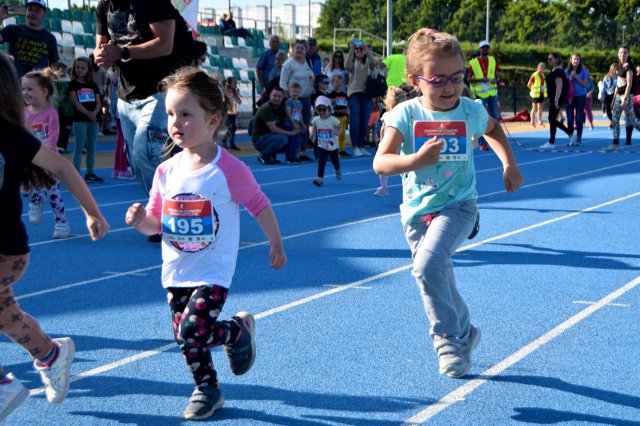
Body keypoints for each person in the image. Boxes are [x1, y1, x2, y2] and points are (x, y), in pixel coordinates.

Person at [124, 67, 286, 421]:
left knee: (192, 330)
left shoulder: (227, 169)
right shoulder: (165, 171)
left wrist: (276, 242)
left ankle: (224, 352)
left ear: (213, 120)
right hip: (176, 269)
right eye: (170, 114)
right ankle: (211, 380)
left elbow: (259, 204)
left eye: (185, 114)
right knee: (186, 338)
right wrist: (141, 222)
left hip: (214, 269)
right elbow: (156, 222)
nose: (175, 122)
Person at [373, 29, 523, 378]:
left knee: (427, 267)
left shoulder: (469, 110)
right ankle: (466, 332)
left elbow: (495, 130)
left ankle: (446, 340)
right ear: (415, 80)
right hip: (416, 213)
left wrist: (509, 165)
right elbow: (381, 162)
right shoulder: (406, 115)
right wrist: (415, 161)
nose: (451, 87)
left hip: (459, 206)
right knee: (436, 275)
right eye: (439, 80)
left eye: (457, 77)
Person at [0, 52, 109, 422]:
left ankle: (4, 384)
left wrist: (92, 211)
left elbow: (61, 166)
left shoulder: (10, 135)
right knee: (8, 318)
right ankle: (51, 355)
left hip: (5, 250)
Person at [94, 0, 197, 196]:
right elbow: (100, 47)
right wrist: (101, 55)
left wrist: (122, 52)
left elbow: (165, 44)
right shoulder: (104, 6)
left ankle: (172, 207)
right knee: (136, 163)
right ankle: (162, 213)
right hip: (127, 95)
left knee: (146, 153)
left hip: (161, 90)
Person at [21, 68, 71, 239]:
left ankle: (61, 222)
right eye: (23, 89)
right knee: (22, 186)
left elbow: (52, 138)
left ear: (43, 92)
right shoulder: (23, 113)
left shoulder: (51, 114)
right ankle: (35, 199)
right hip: (29, 159)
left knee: (53, 194)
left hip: (48, 160)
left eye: (29, 89)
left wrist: (41, 155)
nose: (25, 93)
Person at [0, 0, 59, 77]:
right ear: (26, 12)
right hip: (15, 81)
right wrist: (0, 17)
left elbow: (54, 64)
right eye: (30, 9)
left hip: (37, 84)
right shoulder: (13, 29)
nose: (32, 13)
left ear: (44, 14)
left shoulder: (50, 38)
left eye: (37, 11)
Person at [68, 56, 104, 183]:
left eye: (83, 68)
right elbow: (75, 101)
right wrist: (87, 113)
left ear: (88, 69)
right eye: (77, 67)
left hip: (93, 120)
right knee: (79, 147)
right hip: (80, 120)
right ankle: (76, 174)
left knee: (91, 147)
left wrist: (94, 113)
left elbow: (99, 101)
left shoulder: (93, 85)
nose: (79, 70)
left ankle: (89, 173)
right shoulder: (73, 84)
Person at [280, 39, 315, 161]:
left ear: (306, 51)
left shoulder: (307, 62)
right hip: (293, 100)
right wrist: (286, 96)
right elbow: (283, 81)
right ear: (293, 50)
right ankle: (291, 152)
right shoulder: (288, 64)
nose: (299, 50)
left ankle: (303, 151)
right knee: (293, 125)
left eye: (302, 48)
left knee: (304, 124)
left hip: (306, 98)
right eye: (297, 48)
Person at [373, 86, 409, 197]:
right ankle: (383, 186)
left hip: (399, 144)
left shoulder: (404, 115)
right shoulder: (387, 115)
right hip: (389, 144)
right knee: (383, 165)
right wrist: (381, 142)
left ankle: (406, 185)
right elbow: (383, 129)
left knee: (403, 167)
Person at [345, 40, 378, 156]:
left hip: (367, 94)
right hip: (354, 93)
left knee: (365, 122)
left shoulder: (368, 62)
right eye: (357, 49)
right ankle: (355, 147)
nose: (359, 51)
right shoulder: (352, 61)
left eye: (361, 49)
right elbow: (347, 66)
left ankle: (361, 145)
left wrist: (366, 50)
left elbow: (375, 63)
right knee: (355, 120)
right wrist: (351, 49)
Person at [252, 87, 300, 164]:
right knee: (283, 138)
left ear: (283, 97)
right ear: (270, 96)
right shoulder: (266, 108)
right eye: (274, 96)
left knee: (292, 137)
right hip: (260, 139)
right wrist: (291, 133)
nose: (277, 98)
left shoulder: (280, 108)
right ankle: (263, 155)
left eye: (279, 96)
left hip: (270, 136)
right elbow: (273, 129)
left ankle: (287, 157)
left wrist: (299, 127)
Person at [467, 40, 501, 150]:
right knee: (482, 118)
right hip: (480, 94)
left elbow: (497, 74)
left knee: (495, 117)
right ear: (480, 49)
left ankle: (495, 140)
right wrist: (482, 80)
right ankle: (482, 142)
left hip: (492, 92)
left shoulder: (493, 60)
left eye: (487, 47)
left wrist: (495, 80)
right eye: (483, 47)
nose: (485, 49)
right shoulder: (473, 63)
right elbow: (468, 79)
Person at [607, 45, 640, 151]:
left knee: (631, 120)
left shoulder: (629, 67)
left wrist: (625, 98)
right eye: (620, 52)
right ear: (618, 54)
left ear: (628, 54)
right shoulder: (619, 67)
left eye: (625, 52)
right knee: (615, 119)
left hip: (627, 96)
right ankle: (615, 144)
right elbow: (618, 83)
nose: (622, 54)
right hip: (618, 96)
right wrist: (613, 98)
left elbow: (629, 84)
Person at [107, 68, 135, 179]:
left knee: (120, 142)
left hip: (117, 112)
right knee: (125, 142)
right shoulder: (120, 79)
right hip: (123, 113)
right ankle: (122, 169)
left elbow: (111, 97)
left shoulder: (114, 78)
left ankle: (118, 168)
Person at [540, 53, 571, 149]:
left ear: (557, 59)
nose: (549, 61)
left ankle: (553, 141)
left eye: (551, 59)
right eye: (548, 59)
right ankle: (568, 134)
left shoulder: (558, 71)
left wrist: (556, 100)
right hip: (553, 98)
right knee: (552, 119)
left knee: (551, 118)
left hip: (556, 98)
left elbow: (559, 86)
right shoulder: (553, 70)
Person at [310, 96, 342, 186]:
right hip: (321, 145)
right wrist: (312, 134)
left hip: (333, 145)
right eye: (318, 110)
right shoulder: (316, 119)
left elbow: (340, 127)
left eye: (324, 109)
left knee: (334, 160)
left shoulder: (332, 119)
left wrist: (338, 132)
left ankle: (337, 169)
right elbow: (314, 127)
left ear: (329, 109)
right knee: (321, 161)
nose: (321, 112)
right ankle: (320, 178)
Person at [563, 53, 589, 146]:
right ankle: (571, 138)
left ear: (580, 61)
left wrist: (575, 77)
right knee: (570, 119)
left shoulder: (583, 71)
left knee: (578, 118)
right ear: (571, 60)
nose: (576, 61)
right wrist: (569, 78)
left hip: (580, 97)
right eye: (574, 59)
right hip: (569, 97)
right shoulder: (566, 71)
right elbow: (564, 84)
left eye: (577, 59)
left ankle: (578, 138)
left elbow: (584, 84)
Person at [328, 73, 350, 158]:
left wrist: (347, 112)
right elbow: (330, 108)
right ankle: (333, 150)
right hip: (335, 117)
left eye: (340, 82)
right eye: (336, 82)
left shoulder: (344, 95)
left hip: (343, 116)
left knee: (343, 134)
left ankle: (341, 149)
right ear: (332, 83)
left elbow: (347, 105)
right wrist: (338, 110)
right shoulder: (331, 94)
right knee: (335, 134)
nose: (339, 84)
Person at [284, 82, 303, 163]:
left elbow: (300, 113)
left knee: (297, 141)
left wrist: (302, 123)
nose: (296, 93)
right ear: (289, 92)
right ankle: (289, 157)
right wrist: (293, 123)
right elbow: (288, 113)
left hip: (297, 125)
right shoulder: (289, 101)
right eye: (294, 91)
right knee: (291, 142)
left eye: (297, 91)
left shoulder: (299, 102)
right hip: (289, 125)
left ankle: (294, 156)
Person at [220, 77, 241, 151]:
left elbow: (239, 102)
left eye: (236, 82)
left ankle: (231, 144)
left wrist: (237, 96)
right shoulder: (225, 91)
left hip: (233, 113)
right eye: (234, 82)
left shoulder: (236, 91)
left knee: (233, 128)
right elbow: (224, 101)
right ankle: (224, 141)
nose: (236, 84)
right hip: (226, 113)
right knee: (231, 128)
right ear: (229, 83)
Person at [527, 62, 546, 128]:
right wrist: (532, 90)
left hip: (541, 94)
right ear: (538, 68)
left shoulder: (543, 75)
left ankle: (540, 121)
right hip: (535, 95)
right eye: (541, 67)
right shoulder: (534, 75)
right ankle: (532, 122)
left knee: (540, 107)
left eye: (543, 68)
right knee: (534, 108)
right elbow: (528, 84)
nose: (542, 69)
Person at [599, 64, 616, 128]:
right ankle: (612, 121)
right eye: (614, 69)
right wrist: (602, 96)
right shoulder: (606, 77)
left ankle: (613, 123)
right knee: (608, 111)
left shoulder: (618, 77)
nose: (616, 71)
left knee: (615, 110)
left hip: (615, 95)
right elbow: (603, 87)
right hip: (608, 95)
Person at [584, 65, 595, 131]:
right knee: (576, 111)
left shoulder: (590, 79)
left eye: (587, 71)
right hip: (580, 96)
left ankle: (591, 124)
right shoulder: (579, 78)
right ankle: (575, 124)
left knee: (588, 111)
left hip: (588, 97)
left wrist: (589, 94)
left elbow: (593, 88)